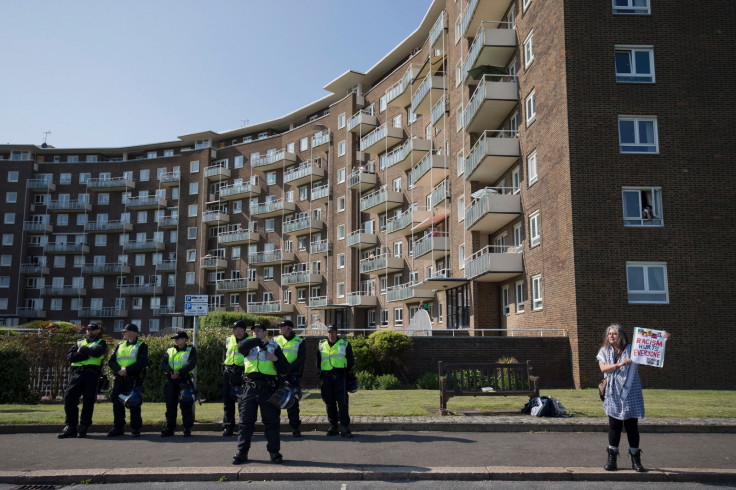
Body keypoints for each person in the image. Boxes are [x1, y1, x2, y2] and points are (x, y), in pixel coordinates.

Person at [597, 323, 671, 472]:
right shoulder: (604, 351)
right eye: (609, 334)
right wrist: (620, 364)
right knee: (614, 426)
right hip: (613, 393)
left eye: (614, 334)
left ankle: (636, 460)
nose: (611, 336)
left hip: (631, 392)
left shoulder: (633, 349)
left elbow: (651, 350)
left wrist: (662, 339)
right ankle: (612, 459)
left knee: (632, 427)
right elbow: (603, 368)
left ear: (621, 335)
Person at [232, 323, 290, 465]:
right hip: (249, 387)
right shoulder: (248, 346)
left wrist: (275, 359)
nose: (255, 333)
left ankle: (274, 453)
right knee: (245, 422)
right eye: (253, 331)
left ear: (265, 332)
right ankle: (242, 452)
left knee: (271, 423)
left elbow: (285, 367)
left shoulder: (274, 347)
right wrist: (258, 341)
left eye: (258, 331)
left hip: (267, 388)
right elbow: (241, 347)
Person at [58, 322, 108, 439]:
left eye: (93, 330)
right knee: (69, 397)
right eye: (88, 329)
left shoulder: (101, 342)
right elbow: (70, 357)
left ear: (98, 331)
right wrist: (86, 354)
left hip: (92, 374)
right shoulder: (79, 342)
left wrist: (83, 350)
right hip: (77, 373)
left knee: (88, 401)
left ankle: (84, 426)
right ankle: (71, 426)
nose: (90, 331)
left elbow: (97, 353)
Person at [107, 323, 148, 438]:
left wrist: (127, 370)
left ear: (133, 333)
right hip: (120, 378)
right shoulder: (120, 345)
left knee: (134, 403)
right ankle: (118, 427)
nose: (123, 333)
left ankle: (135, 429)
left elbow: (142, 362)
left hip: (133, 378)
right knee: (117, 403)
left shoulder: (141, 345)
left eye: (125, 331)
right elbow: (112, 361)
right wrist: (119, 370)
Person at [317, 324, 355, 438]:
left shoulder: (345, 343)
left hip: (340, 377)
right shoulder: (321, 345)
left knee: (342, 402)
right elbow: (318, 361)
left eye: (333, 332)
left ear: (336, 333)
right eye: (329, 332)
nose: (331, 334)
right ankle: (333, 426)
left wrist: (344, 373)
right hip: (327, 377)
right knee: (329, 403)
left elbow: (351, 361)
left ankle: (344, 426)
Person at [161, 331, 197, 437]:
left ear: (184, 339)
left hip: (184, 379)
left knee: (186, 404)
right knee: (170, 405)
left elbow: (191, 363)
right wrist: (170, 372)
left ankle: (187, 428)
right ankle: (169, 427)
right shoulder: (170, 350)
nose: (175, 340)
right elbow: (164, 363)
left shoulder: (191, 349)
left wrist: (179, 372)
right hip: (171, 379)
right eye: (175, 339)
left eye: (178, 338)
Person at [275, 319, 306, 437]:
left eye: (282, 326)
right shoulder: (276, 340)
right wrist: (280, 371)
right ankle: (275, 428)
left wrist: (287, 371)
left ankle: (295, 428)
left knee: (293, 404)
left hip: (292, 376)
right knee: (275, 402)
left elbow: (301, 359)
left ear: (288, 328)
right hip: (278, 376)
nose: (279, 328)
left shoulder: (300, 341)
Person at [222, 320, 248, 437]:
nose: (233, 330)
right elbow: (224, 354)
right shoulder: (229, 339)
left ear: (242, 329)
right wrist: (224, 368)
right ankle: (228, 427)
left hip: (241, 372)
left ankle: (244, 427)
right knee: (227, 402)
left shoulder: (249, 341)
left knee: (242, 402)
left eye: (235, 328)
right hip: (228, 372)